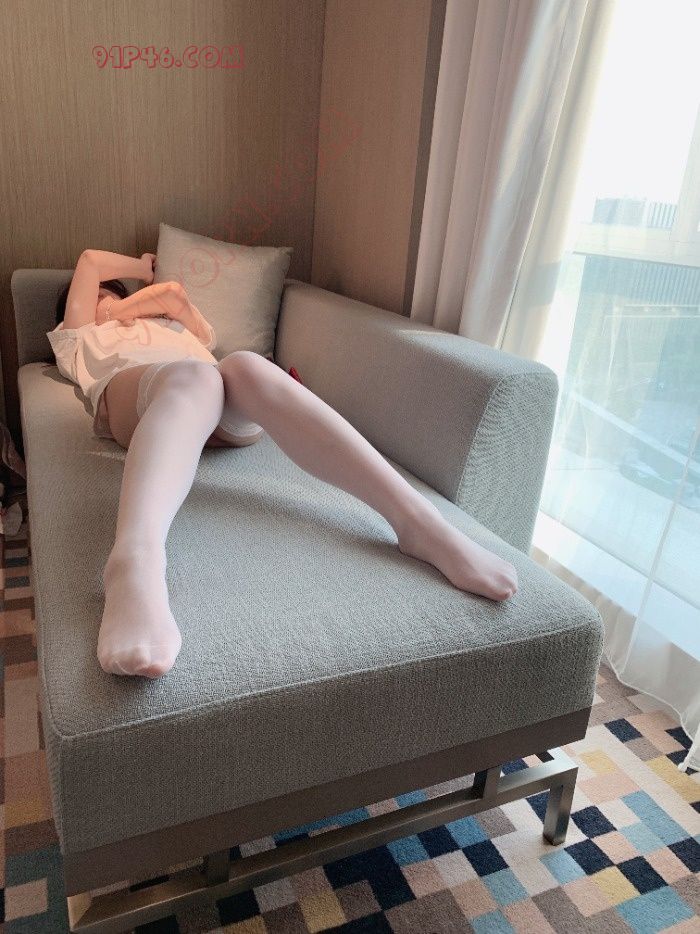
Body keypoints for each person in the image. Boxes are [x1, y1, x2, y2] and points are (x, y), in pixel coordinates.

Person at [47, 249, 518, 680]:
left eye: (110, 296)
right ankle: (134, 561)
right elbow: (89, 261)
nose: (104, 302)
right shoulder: (80, 335)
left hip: (218, 403)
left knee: (247, 365)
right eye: (96, 300)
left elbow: (186, 312)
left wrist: (142, 305)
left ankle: (417, 521)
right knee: (194, 377)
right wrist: (140, 272)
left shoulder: (168, 326)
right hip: (139, 396)